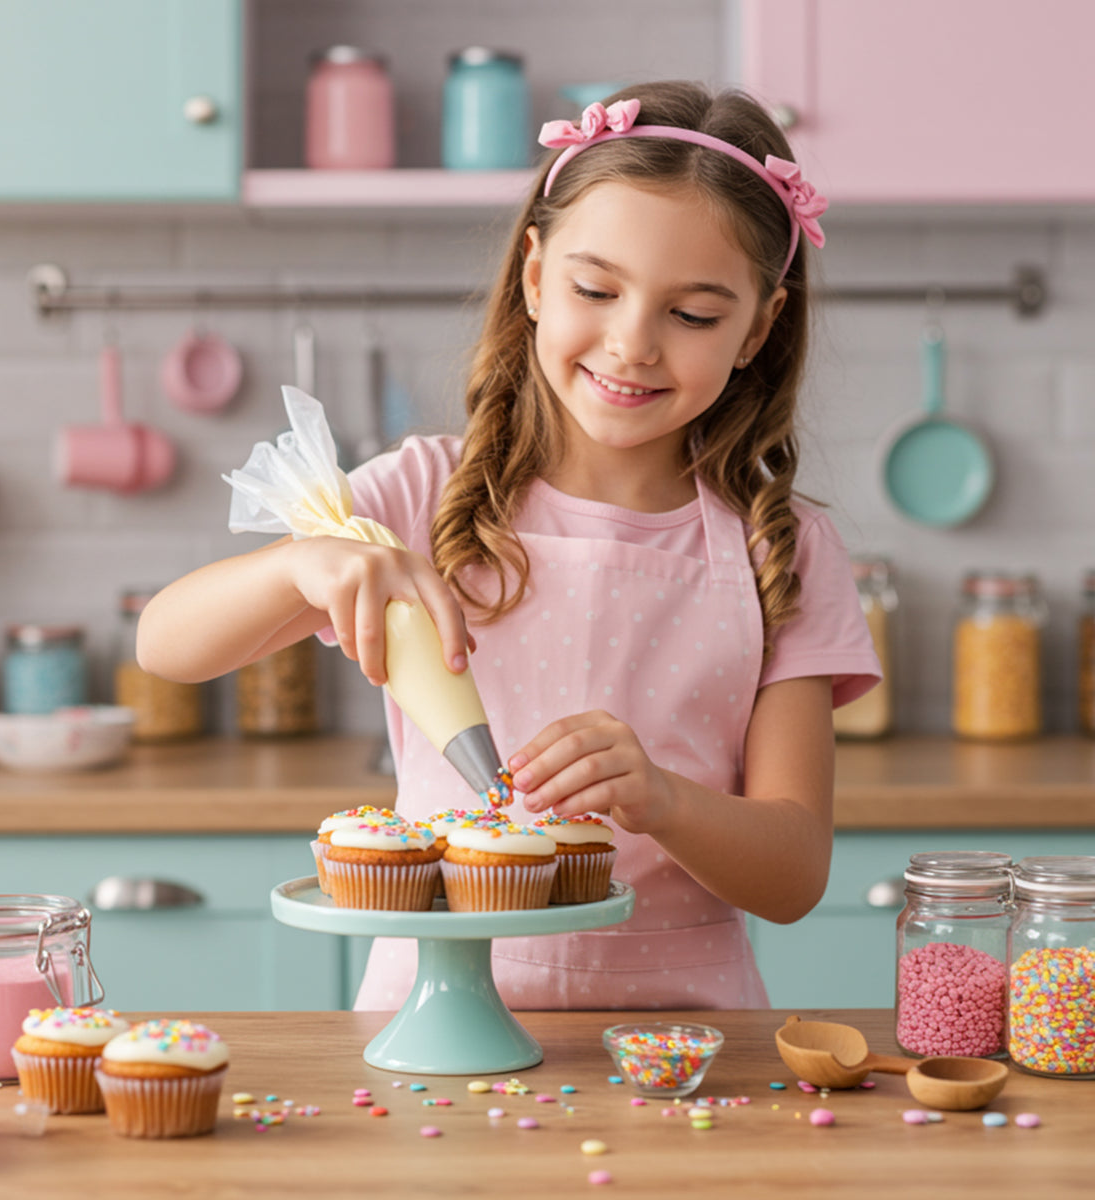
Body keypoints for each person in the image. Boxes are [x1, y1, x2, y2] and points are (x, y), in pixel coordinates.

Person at [137, 80, 880, 1011]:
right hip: (430, 1029)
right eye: (595, 289)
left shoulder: (786, 548)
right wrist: (303, 563)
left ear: (757, 331)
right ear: (534, 277)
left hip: (686, 1049)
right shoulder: (419, 495)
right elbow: (164, 645)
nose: (632, 344)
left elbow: (795, 874)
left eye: (692, 315)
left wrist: (663, 799)